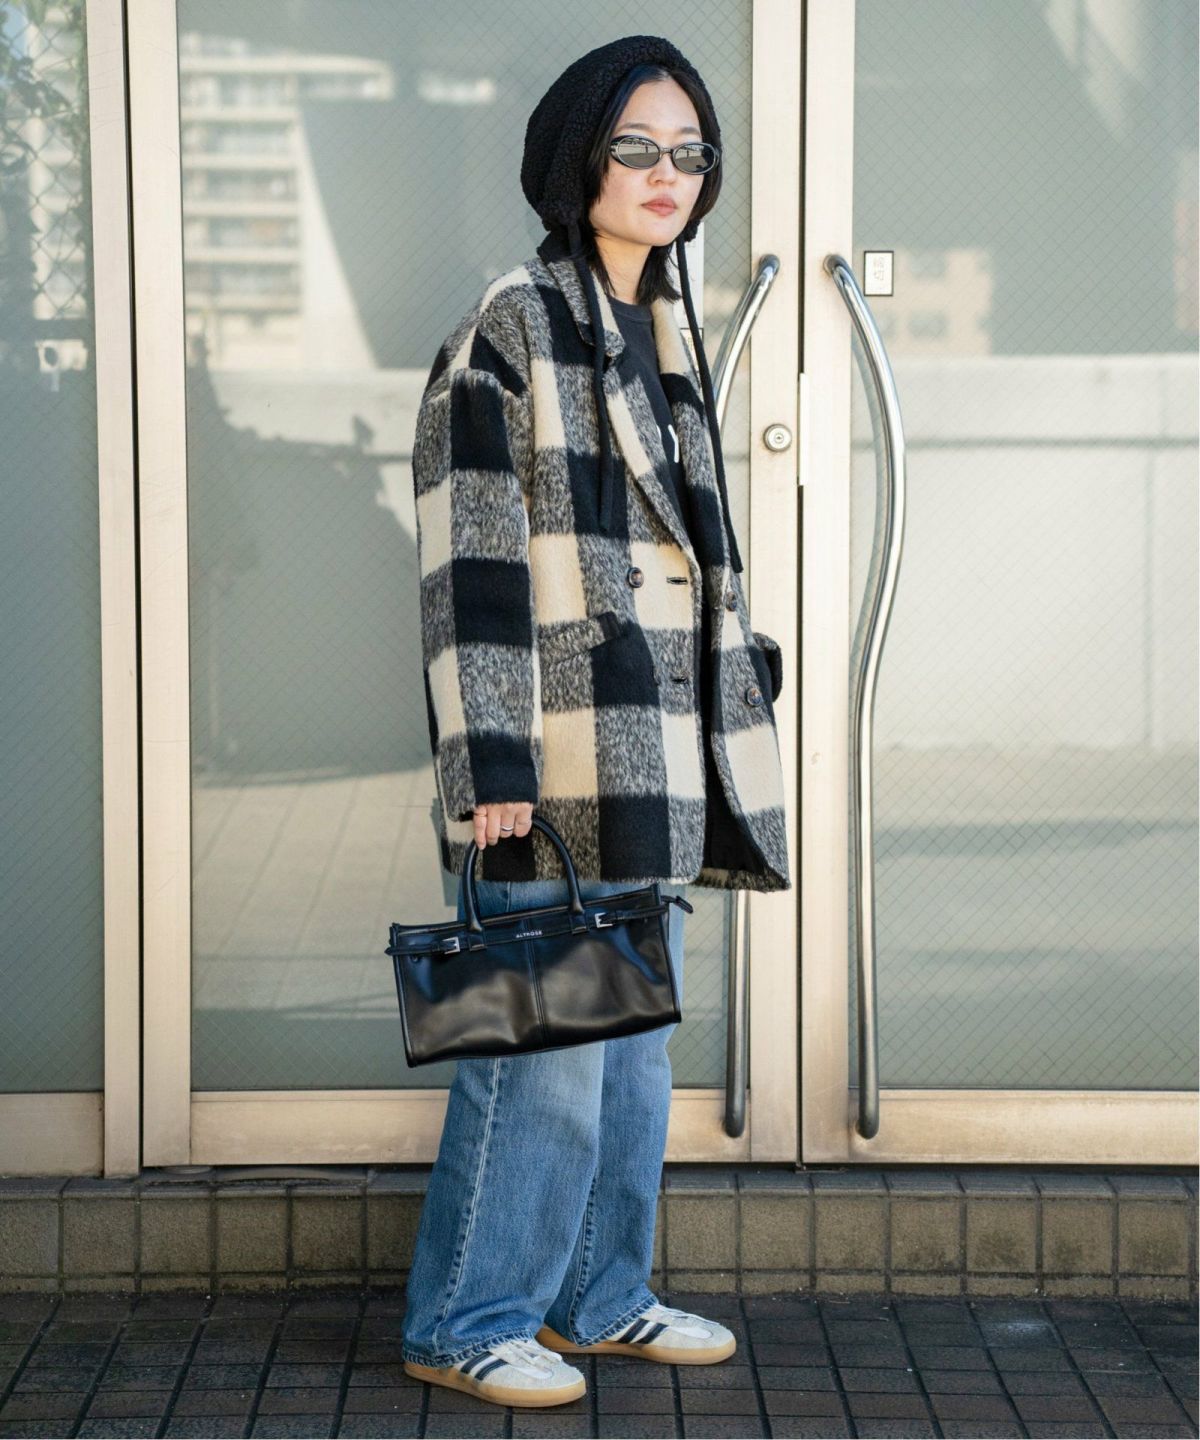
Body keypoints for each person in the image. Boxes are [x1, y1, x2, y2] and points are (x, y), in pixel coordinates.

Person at [401, 35, 791, 1410]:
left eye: (690, 151)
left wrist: (737, 683)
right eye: (637, 147)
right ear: (580, 160)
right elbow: (470, 553)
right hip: (558, 752)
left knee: (631, 1055)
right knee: (546, 1055)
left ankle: (599, 1297)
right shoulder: (513, 323)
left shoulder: (664, 323)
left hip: (660, 749)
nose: (667, 173)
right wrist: (491, 757)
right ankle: (467, 1318)